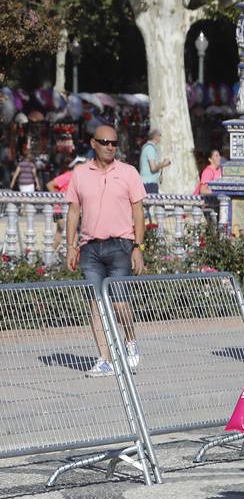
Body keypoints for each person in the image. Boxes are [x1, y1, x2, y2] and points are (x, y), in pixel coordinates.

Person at [65, 125, 147, 378]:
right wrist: (70, 246)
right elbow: (74, 211)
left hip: (121, 245)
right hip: (90, 248)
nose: (110, 146)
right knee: (96, 304)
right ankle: (105, 359)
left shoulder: (128, 172)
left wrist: (139, 247)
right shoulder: (79, 173)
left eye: (114, 142)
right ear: (93, 143)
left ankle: (131, 341)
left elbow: (138, 212)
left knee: (121, 302)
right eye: (104, 142)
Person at [138, 129, 170, 194]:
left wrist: (161, 164)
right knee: (154, 203)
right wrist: (164, 164)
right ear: (155, 136)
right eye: (160, 135)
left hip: (147, 183)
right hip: (149, 184)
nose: (161, 137)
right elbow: (153, 168)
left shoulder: (147, 147)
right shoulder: (150, 148)